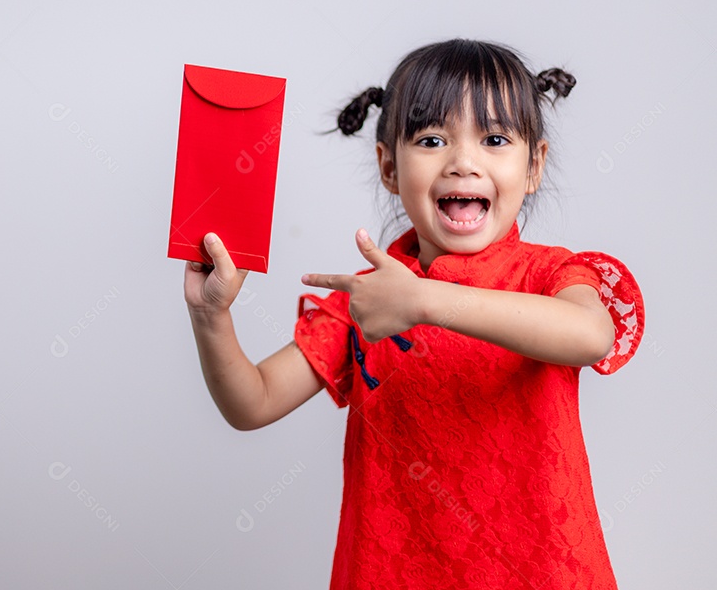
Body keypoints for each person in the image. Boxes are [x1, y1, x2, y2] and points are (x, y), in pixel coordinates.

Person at [183, 38, 645, 589]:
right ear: (388, 167)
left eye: (495, 139)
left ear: (534, 166)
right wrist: (211, 318)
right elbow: (252, 402)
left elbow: (590, 334)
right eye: (431, 139)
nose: (463, 162)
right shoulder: (368, 302)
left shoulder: (548, 276)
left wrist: (426, 301)